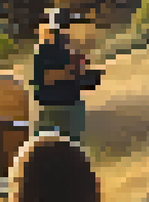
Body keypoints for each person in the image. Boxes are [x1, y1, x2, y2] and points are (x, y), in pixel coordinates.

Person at [30, 8, 98, 141]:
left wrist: (83, 72)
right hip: (56, 107)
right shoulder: (48, 47)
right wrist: (75, 72)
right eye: (67, 25)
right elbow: (50, 76)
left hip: (68, 103)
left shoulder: (64, 46)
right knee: (54, 146)